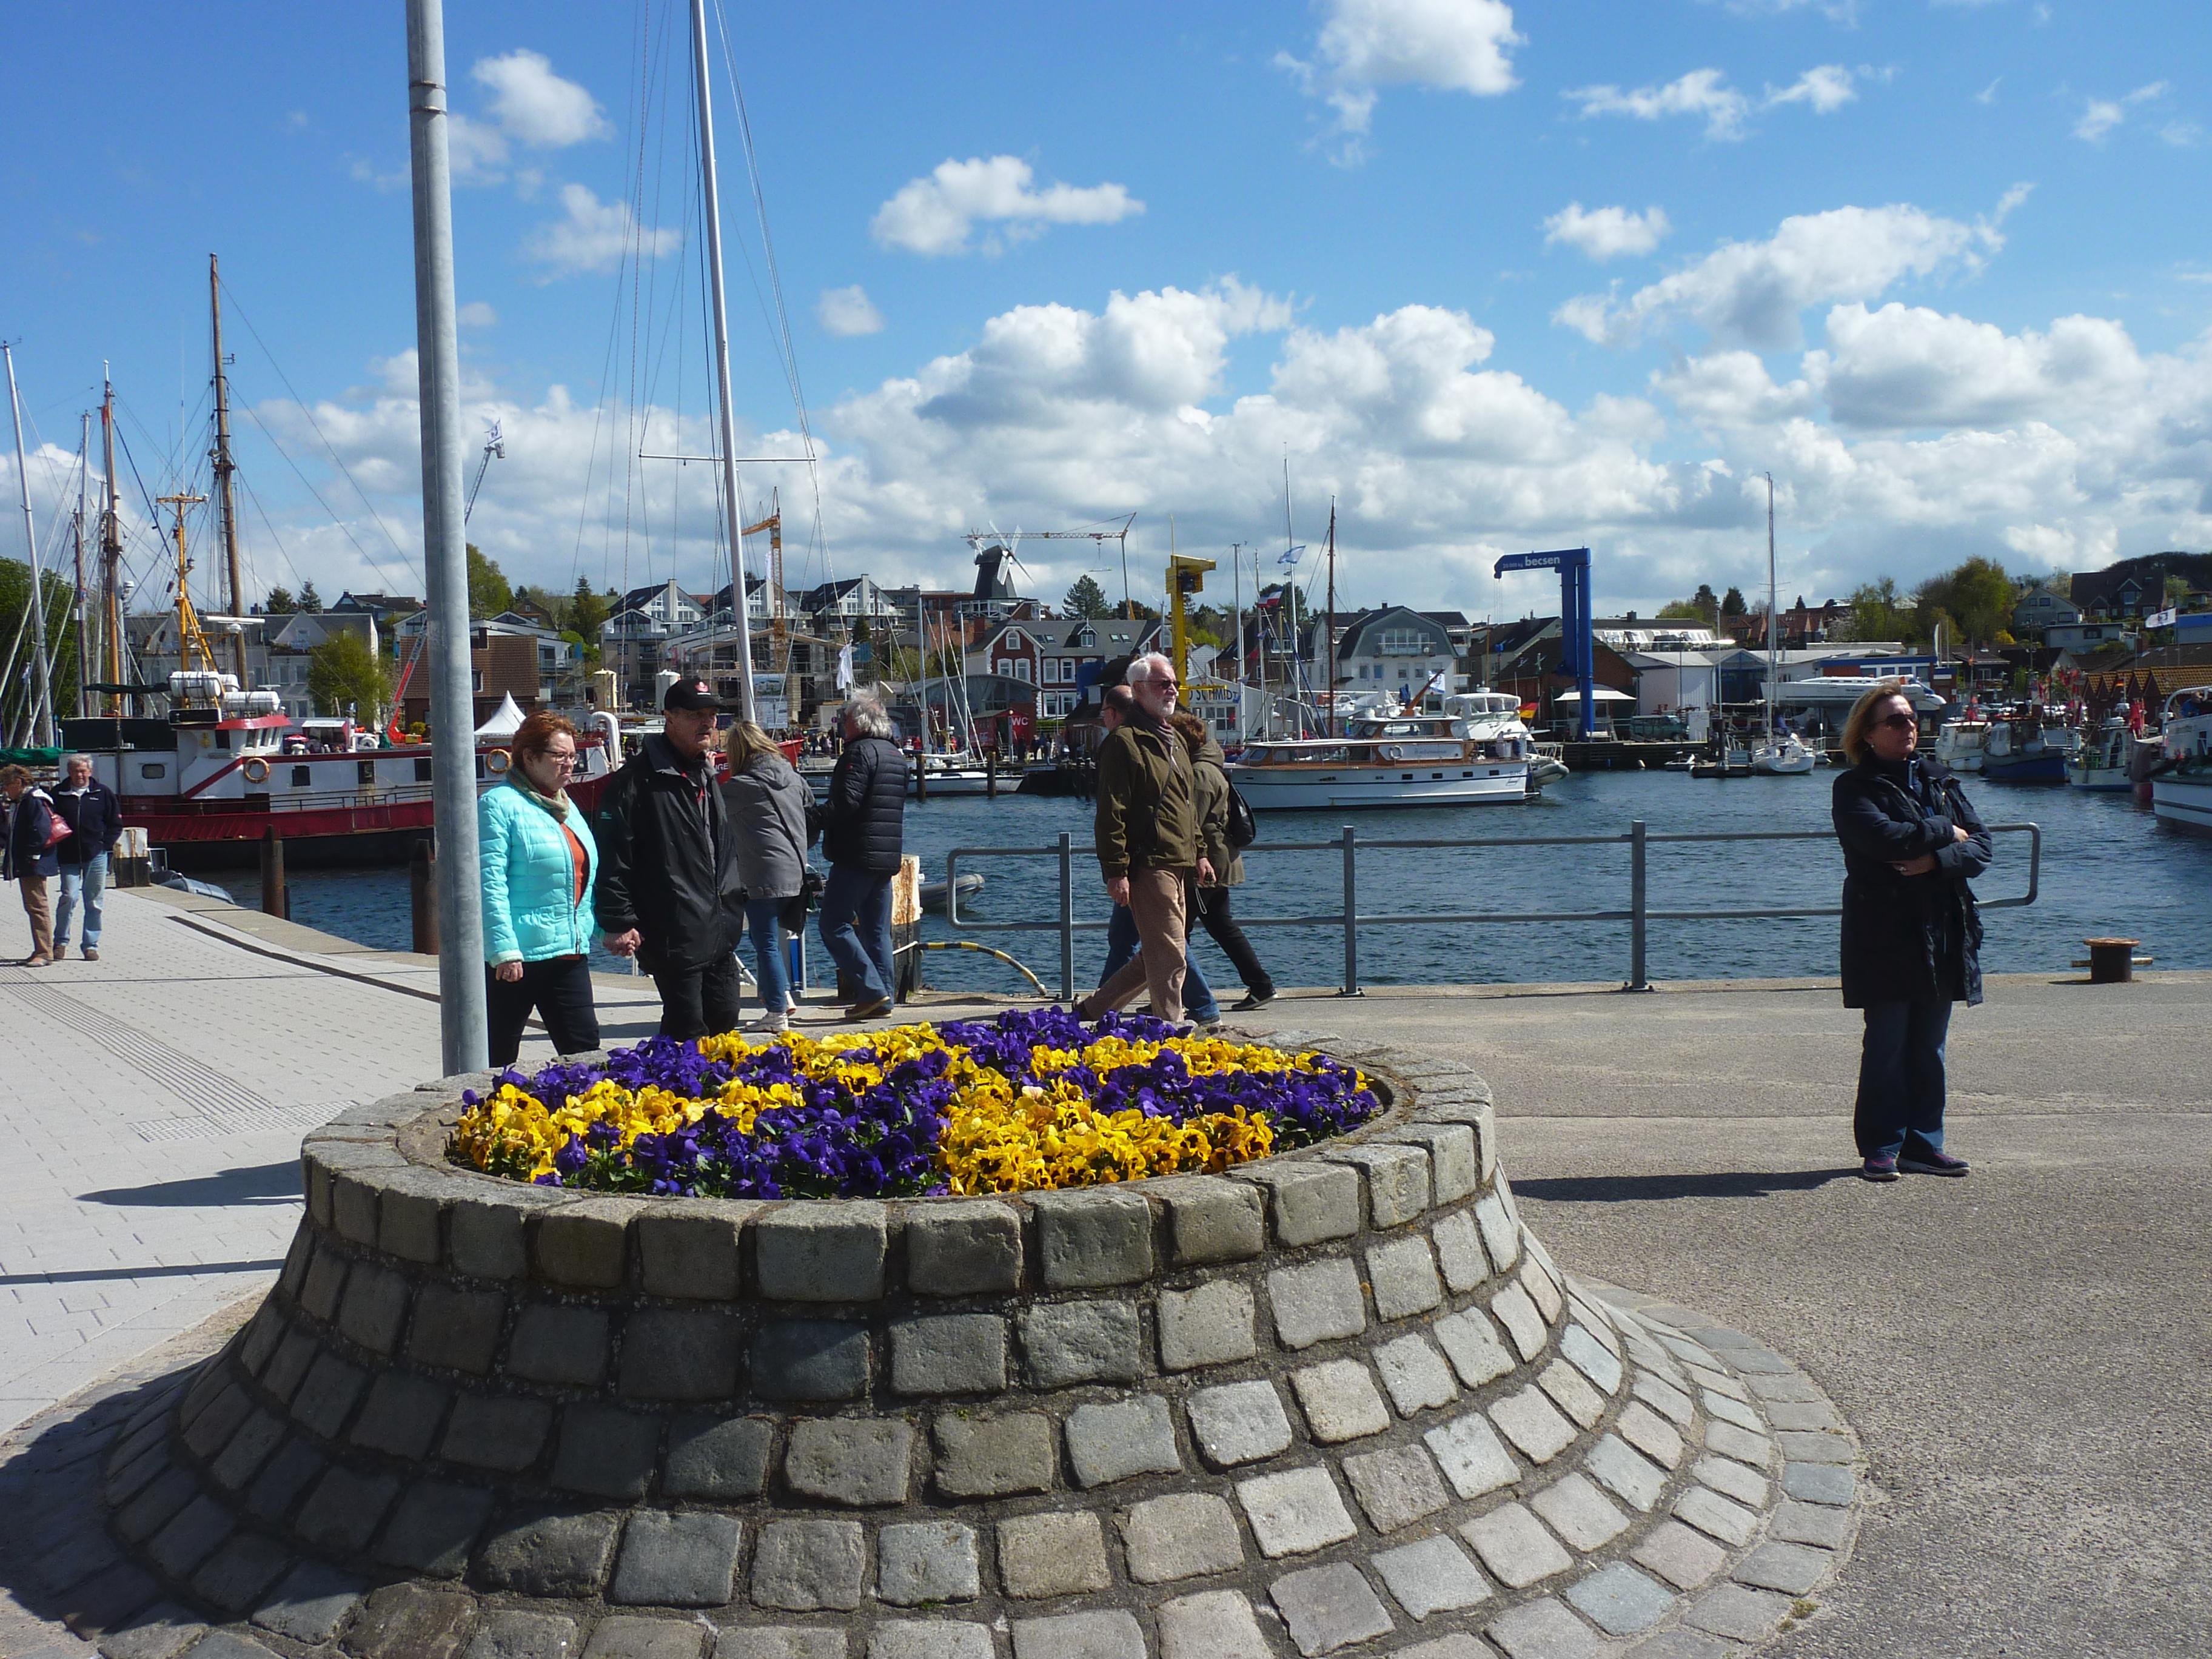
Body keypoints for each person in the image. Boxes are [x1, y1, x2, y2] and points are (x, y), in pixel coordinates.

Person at [1834, 682, 1992, 1182]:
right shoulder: (1854, 788)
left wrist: (1935, 862)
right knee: (1887, 1045)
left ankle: (1924, 1144)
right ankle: (1882, 1146)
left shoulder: (1940, 781)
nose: (1908, 728)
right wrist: (1947, 833)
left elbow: (1983, 848)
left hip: (1944, 931)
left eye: (1910, 719)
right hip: (1885, 934)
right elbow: (1883, 840)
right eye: (1894, 721)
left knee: (1930, 1047)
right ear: (1869, 734)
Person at [595, 677, 747, 1041]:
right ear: (669, 718)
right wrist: (618, 921)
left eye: (712, 715)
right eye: (696, 715)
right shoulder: (634, 783)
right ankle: (670, 1092)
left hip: (720, 926)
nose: (708, 723)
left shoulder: (705, 774)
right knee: (686, 1029)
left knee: (726, 1018)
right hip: (672, 929)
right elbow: (614, 857)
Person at [1076, 653, 1210, 1024]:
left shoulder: (1176, 741)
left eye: (1174, 683)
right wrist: (1116, 871)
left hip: (1179, 860)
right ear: (1138, 690)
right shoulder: (1124, 742)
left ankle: (1092, 1010)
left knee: (1158, 951)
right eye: (1162, 683)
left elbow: (1186, 806)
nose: (1172, 690)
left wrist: (1199, 853)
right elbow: (1111, 813)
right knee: (1169, 954)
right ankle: (1172, 1026)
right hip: (1148, 863)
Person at [478, 711, 601, 1067]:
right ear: (529, 757)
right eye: (559, 756)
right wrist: (504, 951)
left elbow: (581, 876)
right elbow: (490, 883)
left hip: (567, 953)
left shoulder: (564, 804)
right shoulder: (498, 805)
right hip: (516, 961)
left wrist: (607, 928)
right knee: (497, 1059)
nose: (569, 765)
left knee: (587, 1058)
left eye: (573, 756)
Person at [811, 689, 907, 1021]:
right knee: (875, 930)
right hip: (886, 855)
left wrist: (814, 816)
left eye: (844, 719)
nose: (841, 725)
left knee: (833, 923)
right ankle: (884, 996)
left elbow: (847, 803)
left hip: (856, 854)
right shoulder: (895, 755)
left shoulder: (858, 753)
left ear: (859, 723)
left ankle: (872, 990)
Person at [1174, 709, 1276, 1011]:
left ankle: (1178, 997)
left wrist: (1197, 858)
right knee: (1212, 927)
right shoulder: (1210, 766)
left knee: (1182, 932)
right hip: (1215, 860)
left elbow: (1193, 821)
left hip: (1206, 864)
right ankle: (1259, 985)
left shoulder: (1200, 774)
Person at [723, 720, 811, 1034]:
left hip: (762, 873)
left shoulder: (742, 786)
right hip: (796, 871)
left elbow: (711, 810)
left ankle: (776, 1013)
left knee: (765, 944)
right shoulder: (793, 777)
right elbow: (810, 807)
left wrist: (707, 772)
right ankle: (781, 996)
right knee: (776, 940)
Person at [50, 754, 122, 962]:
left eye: (83, 771)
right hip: (68, 855)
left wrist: (104, 845)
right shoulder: (59, 794)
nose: (80, 775)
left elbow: (115, 823)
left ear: (90, 772)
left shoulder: (103, 793)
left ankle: (90, 945)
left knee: (94, 903)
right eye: (75, 771)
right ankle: (60, 942)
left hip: (96, 855)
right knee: (68, 897)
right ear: (69, 772)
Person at [1, 765, 61, 967]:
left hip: (34, 863)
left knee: (38, 906)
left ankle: (45, 952)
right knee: (32, 906)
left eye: (7, 785)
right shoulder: (23, 801)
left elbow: (41, 830)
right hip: (28, 862)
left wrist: (32, 856)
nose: (5, 790)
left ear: (18, 783)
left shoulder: (34, 801)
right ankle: (40, 948)